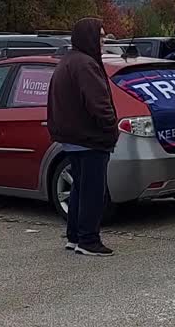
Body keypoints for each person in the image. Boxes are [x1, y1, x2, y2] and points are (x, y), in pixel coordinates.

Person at [47, 17, 118, 257]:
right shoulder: (86, 64)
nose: (104, 40)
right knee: (93, 191)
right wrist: (110, 128)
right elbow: (99, 104)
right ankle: (88, 239)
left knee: (80, 187)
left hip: (74, 139)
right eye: (100, 35)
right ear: (89, 37)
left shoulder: (68, 62)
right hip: (90, 139)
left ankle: (75, 236)